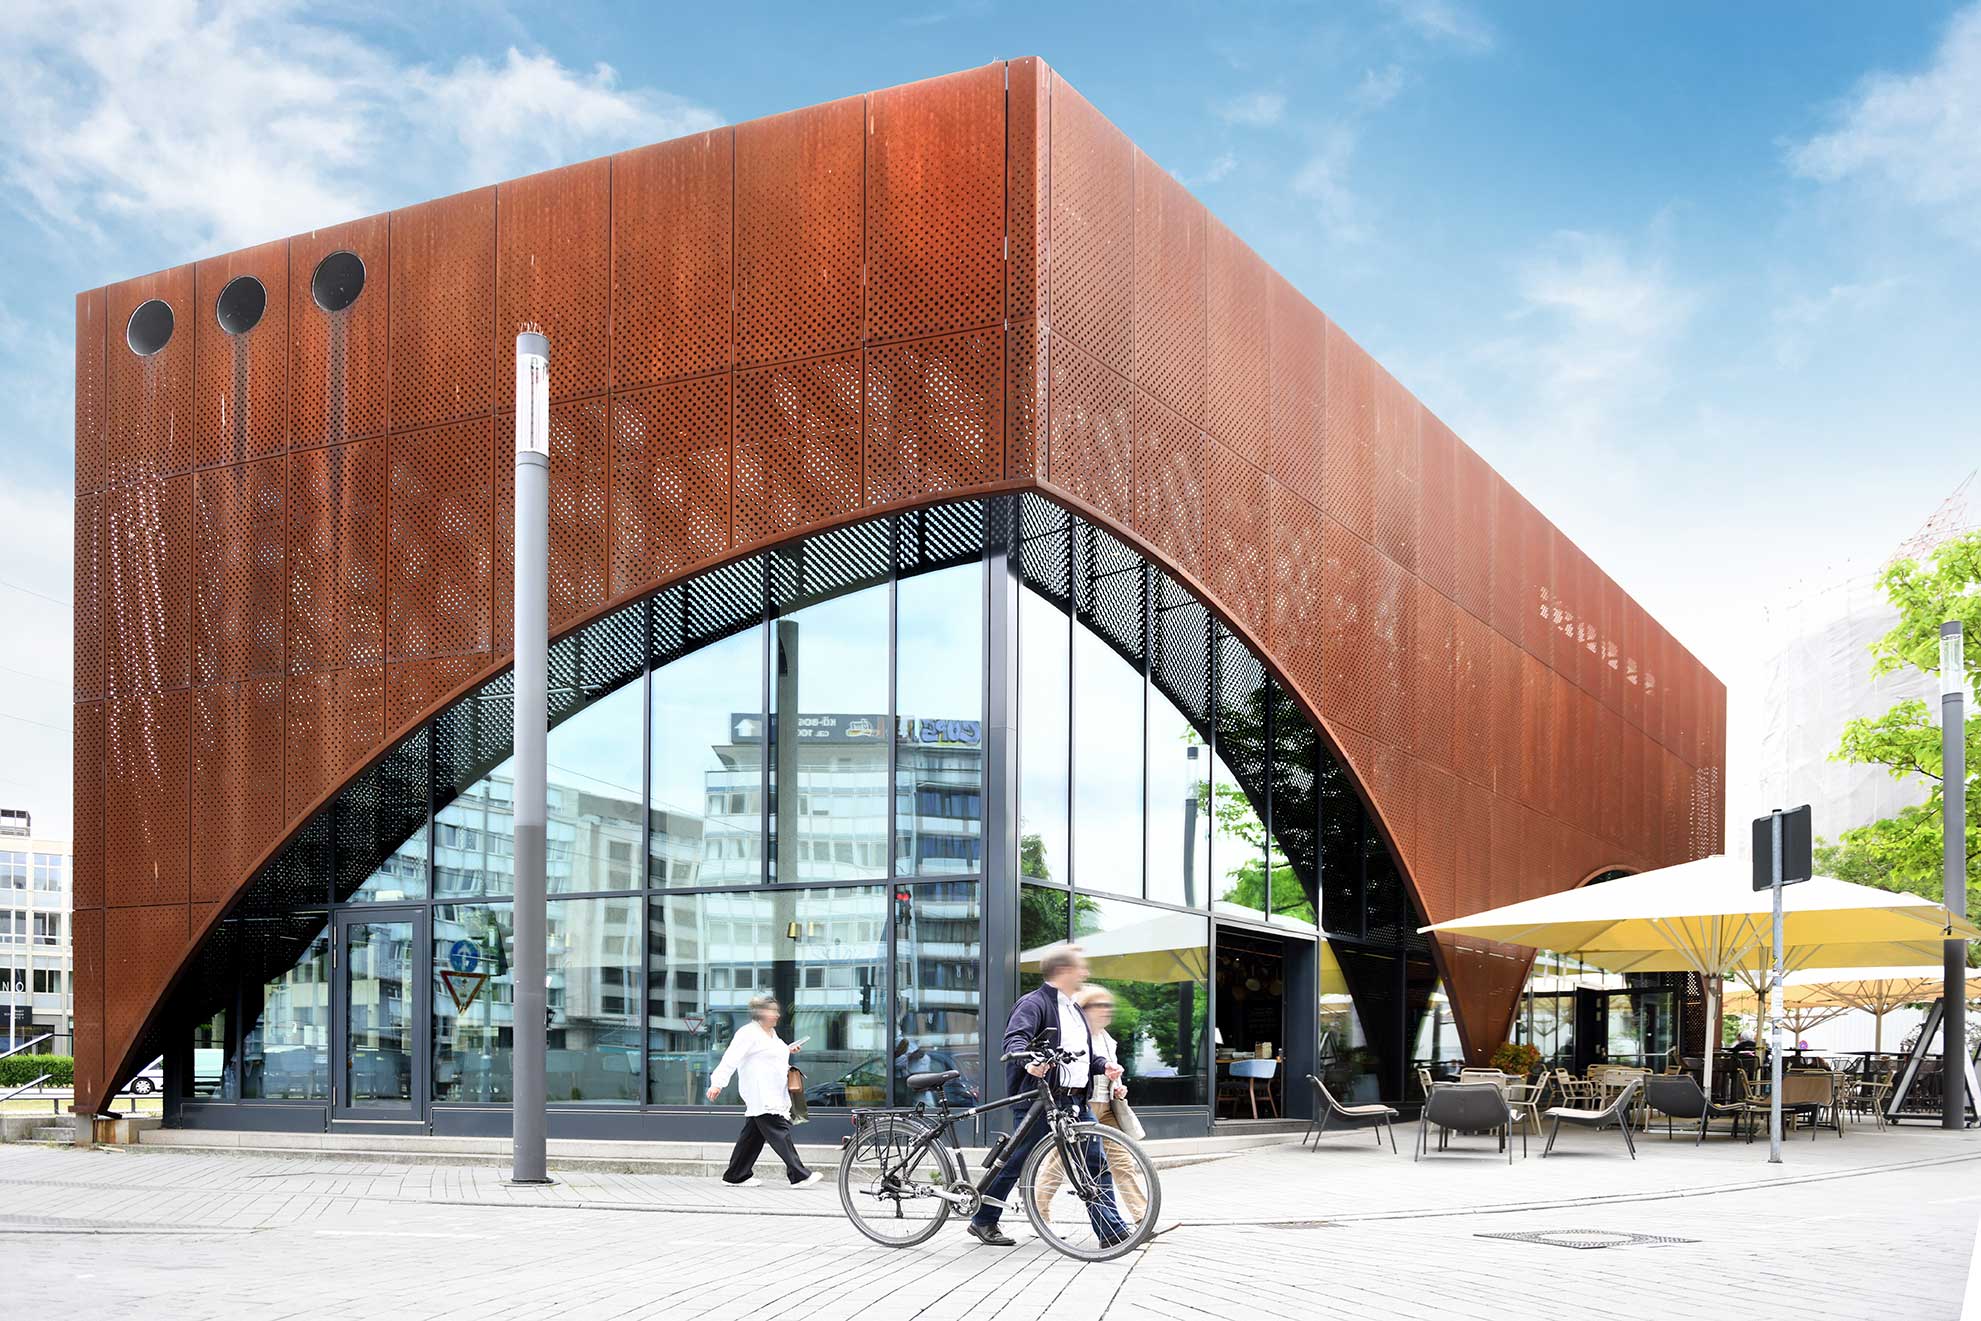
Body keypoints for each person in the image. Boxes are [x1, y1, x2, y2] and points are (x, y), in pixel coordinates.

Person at [966, 944, 1130, 1248]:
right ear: (1064, 971)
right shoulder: (1034, 1003)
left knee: (1095, 1163)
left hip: (1076, 1102)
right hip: (1041, 1099)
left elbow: (1083, 1056)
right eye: (1081, 967)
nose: (1085, 973)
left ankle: (1112, 1232)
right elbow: (1015, 1041)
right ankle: (983, 1219)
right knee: (1016, 1162)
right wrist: (1029, 1061)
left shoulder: (1075, 1010)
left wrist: (1103, 1065)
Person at [1029, 984, 1149, 1223]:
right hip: (1082, 1105)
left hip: (1107, 1107)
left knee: (1123, 1162)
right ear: (1084, 1009)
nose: (1107, 1011)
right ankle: (1039, 1214)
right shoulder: (1076, 1037)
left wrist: (1119, 1086)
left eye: (1109, 1006)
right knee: (1059, 1163)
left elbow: (1110, 1069)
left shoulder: (1107, 1039)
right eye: (1100, 1005)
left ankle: (1143, 1218)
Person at [707, 995, 821, 1189]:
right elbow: (731, 1058)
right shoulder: (748, 1033)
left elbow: (769, 1054)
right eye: (772, 1011)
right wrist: (717, 1083)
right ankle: (799, 1175)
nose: (777, 1014)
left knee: (752, 1136)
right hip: (761, 1092)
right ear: (759, 1013)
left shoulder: (771, 1034)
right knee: (779, 1130)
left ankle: (737, 1175)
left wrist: (788, 1050)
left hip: (772, 1091)